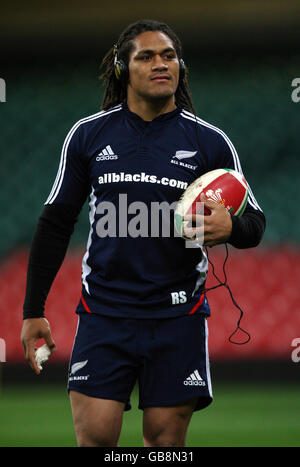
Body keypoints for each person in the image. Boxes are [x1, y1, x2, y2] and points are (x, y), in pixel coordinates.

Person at [20, 19, 266, 447]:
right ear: (122, 68)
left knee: (164, 445)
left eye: (169, 56)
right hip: (104, 314)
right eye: (146, 56)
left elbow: (255, 225)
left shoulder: (210, 142)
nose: (160, 64)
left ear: (180, 67)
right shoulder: (89, 135)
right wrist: (32, 310)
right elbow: (56, 222)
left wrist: (232, 226)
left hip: (178, 318)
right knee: (96, 438)